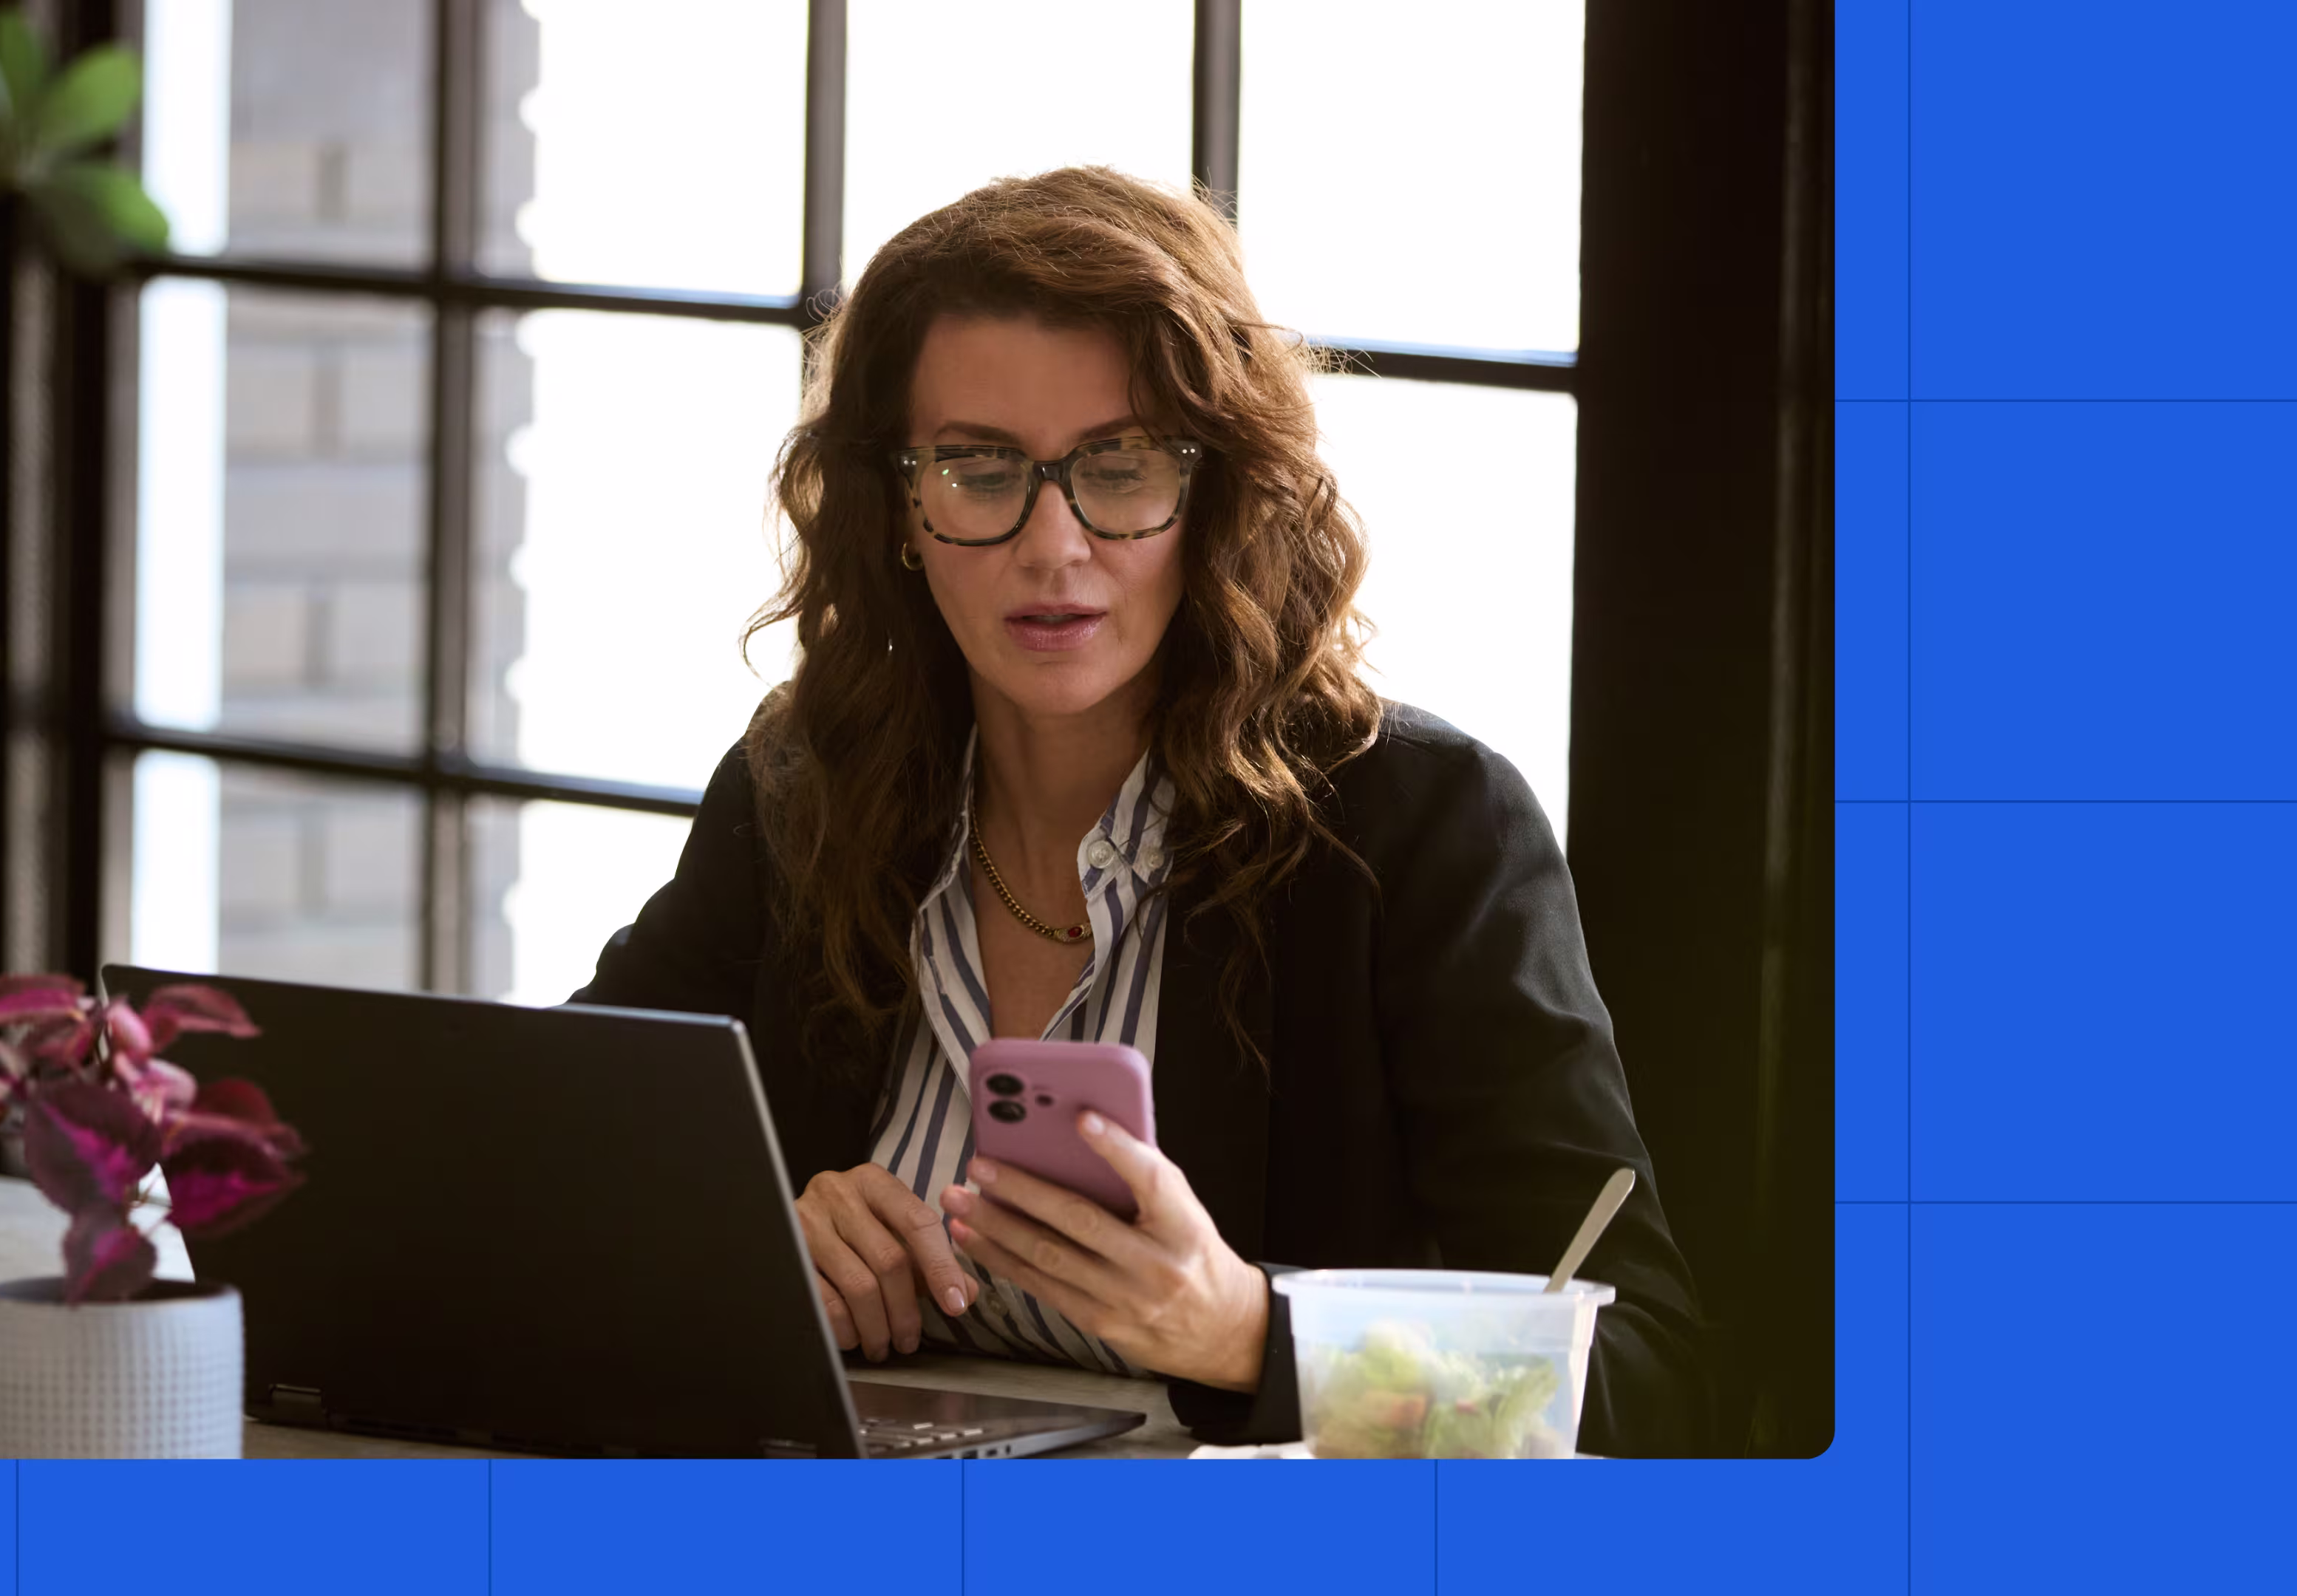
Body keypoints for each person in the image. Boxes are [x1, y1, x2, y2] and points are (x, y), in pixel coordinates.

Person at [574, 166, 1707, 1455]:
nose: (1053, 547)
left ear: (1218, 488)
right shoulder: (803, 787)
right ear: (900, 505)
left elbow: (1652, 1381)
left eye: (1118, 467)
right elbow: (553, 1167)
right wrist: (753, 1244)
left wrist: (1244, 1330)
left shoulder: (1422, 829)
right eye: (978, 467)